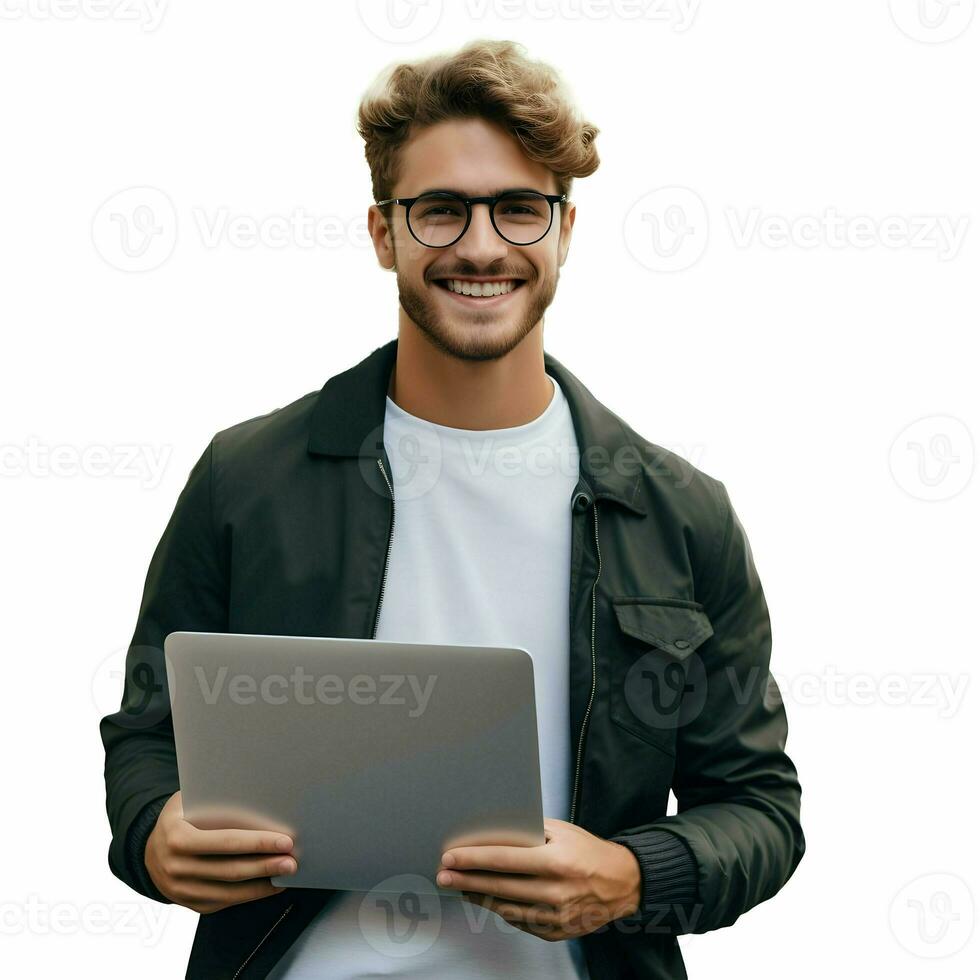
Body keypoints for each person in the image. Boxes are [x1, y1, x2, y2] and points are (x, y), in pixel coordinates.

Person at [100, 38, 805, 980]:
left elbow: (760, 807)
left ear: (564, 232)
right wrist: (152, 831)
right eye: (440, 211)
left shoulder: (680, 513)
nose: (481, 245)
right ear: (384, 233)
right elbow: (148, 732)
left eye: (519, 209)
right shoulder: (247, 478)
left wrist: (634, 873)